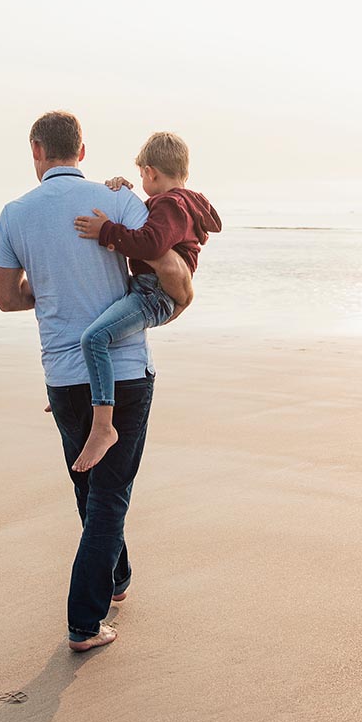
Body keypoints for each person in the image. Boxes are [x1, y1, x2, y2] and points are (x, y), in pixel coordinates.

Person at [0, 111, 191, 652]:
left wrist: (49, 286)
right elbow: (171, 269)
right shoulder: (122, 202)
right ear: (82, 151)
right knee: (108, 497)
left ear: (36, 151)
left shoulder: (14, 214)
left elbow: (8, 298)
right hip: (124, 370)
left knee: (91, 489)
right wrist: (184, 298)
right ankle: (85, 622)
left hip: (62, 373)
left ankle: (116, 579)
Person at [70, 132, 222, 472]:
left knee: (95, 337)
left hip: (154, 293)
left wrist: (106, 230)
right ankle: (85, 385)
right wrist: (128, 193)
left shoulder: (171, 205)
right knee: (96, 326)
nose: (141, 180)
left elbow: (152, 242)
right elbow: (152, 225)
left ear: (151, 172)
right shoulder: (178, 204)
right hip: (149, 290)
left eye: (141, 175)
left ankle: (103, 427)